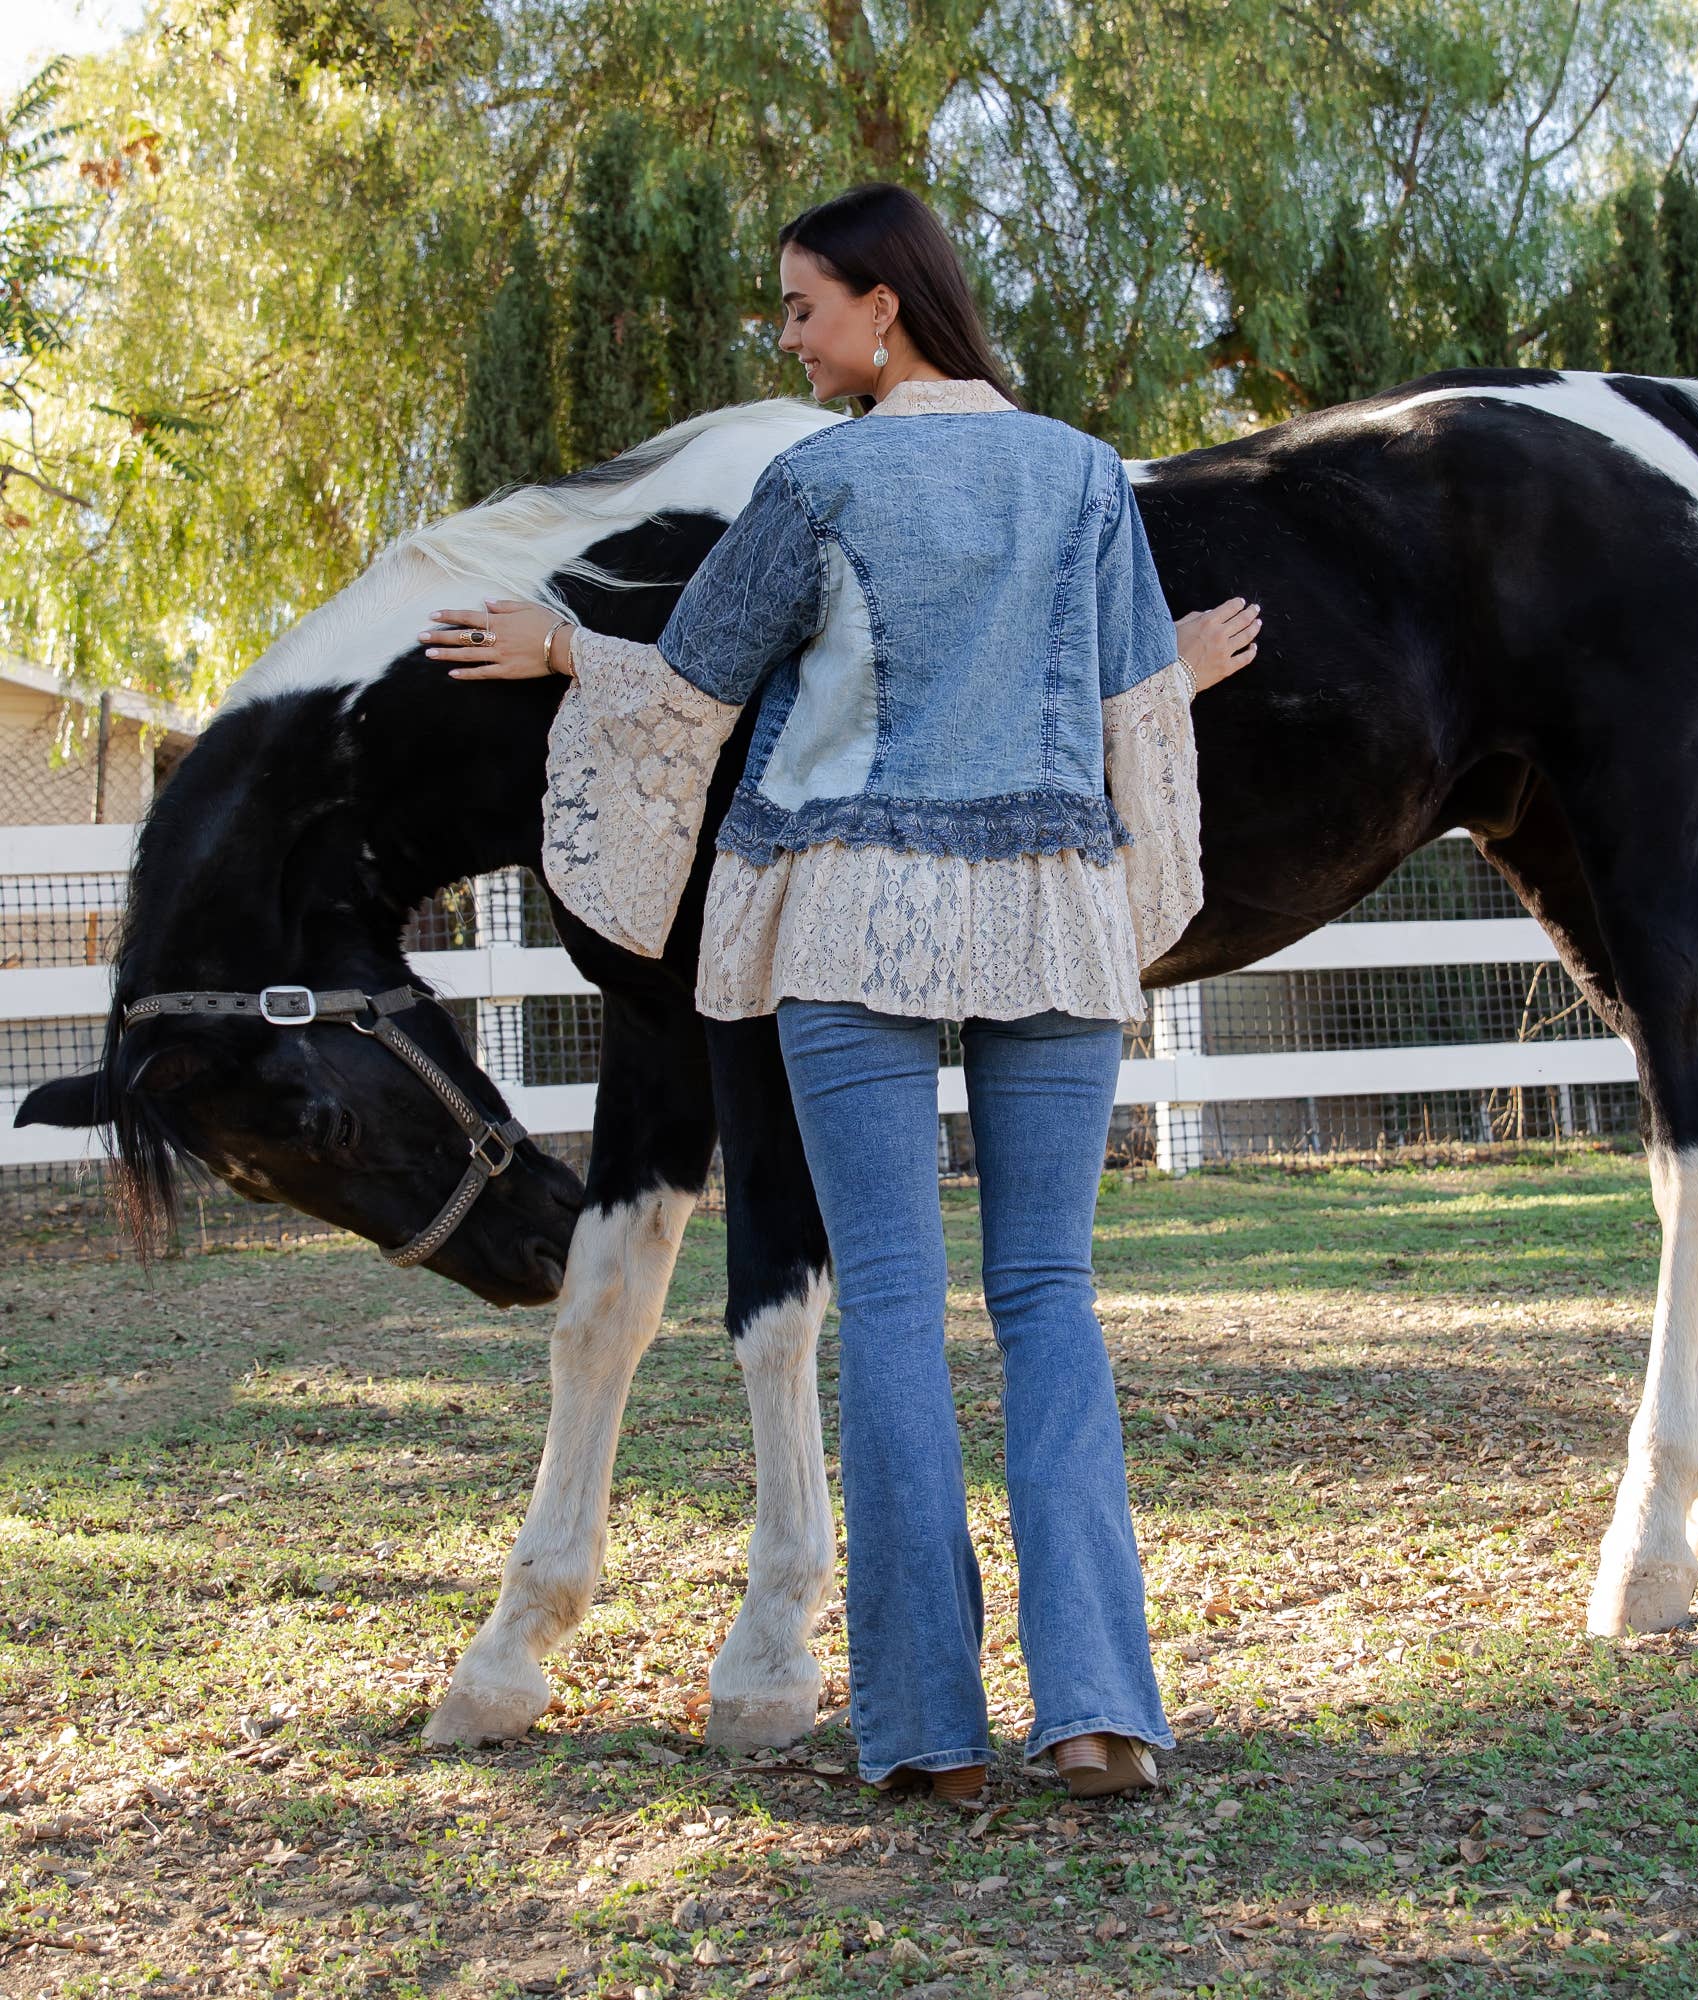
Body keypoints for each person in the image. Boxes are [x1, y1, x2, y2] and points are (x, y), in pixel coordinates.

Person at [420, 181, 1260, 1802]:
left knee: (885, 1301)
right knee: (1049, 1297)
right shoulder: (1084, 476)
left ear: (887, 306)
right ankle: (1098, 1713)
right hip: (1047, 914)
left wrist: (557, 647)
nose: (789, 336)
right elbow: (1130, 701)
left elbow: (692, 685)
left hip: (849, 918)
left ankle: (930, 1734)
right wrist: (1173, 675)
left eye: (804, 305)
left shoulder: (818, 484)